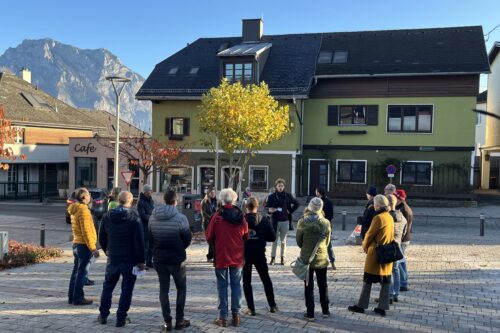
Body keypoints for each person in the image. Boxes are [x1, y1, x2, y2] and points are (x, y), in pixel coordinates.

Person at [98, 191, 145, 327]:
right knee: (127, 288)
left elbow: (102, 237)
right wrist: (141, 260)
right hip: (129, 258)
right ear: (130, 201)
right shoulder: (134, 217)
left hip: (113, 256)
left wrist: (108, 250)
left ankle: (103, 314)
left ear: (119, 200)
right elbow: (139, 240)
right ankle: (121, 317)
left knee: (108, 286)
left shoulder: (108, 216)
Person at [149, 190, 192, 331]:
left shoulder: (153, 217)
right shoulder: (180, 218)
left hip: (160, 259)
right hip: (177, 259)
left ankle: (167, 321)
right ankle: (180, 320)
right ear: (176, 201)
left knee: (163, 290)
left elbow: (150, 237)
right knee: (181, 288)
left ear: (164, 200)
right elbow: (187, 239)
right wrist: (179, 247)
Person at [206, 188, 249, 328]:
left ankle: (223, 317)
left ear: (222, 200)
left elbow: (209, 236)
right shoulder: (240, 216)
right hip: (237, 256)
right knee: (236, 285)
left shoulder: (217, 217)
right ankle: (236, 316)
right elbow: (246, 234)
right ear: (234, 199)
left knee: (222, 286)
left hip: (221, 255)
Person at [348, 195, 394, 317]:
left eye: (374, 203)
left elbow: (369, 235)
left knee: (367, 280)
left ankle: (361, 306)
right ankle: (382, 307)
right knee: (385, 281)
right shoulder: (389, 217)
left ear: (377, 205)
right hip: (387, 252)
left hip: (376, 252)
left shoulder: (378, 218)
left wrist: (364, 246)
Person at [296, 197, 331, 321]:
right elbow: (327, 242)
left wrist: (306, 247)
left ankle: (310, 313)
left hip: (307, 259)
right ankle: (325, 310)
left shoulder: (302, 222)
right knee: (323, 285)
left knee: (308, 286)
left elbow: (299, 241)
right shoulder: (326, 222)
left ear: (310, 207)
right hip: (321, 259)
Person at [242, 197, 278, 316]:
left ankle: (251, 308)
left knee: (247, 281)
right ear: (257, 206)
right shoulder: (264, 219)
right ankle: (272, 305)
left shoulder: (242, 220)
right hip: (259, 253)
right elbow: (272, 237)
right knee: (265, 279)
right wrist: (261, 237)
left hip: (245, 253)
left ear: (246, 207)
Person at [68, 187, 99, 306]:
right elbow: (86, 231)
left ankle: (72, 297)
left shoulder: (75, 209)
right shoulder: (83, 210)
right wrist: (93, 248)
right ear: (84, 197)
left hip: (76, 244)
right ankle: (78, 298)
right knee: (82, 273)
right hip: (83, 245)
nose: (90, 197)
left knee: (76, 272)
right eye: (89, 195)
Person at [265, 178, 299, 265]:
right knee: (274, 240)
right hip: (275, 221)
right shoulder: (272, 196)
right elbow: (266, 207)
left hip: (285, 221)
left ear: (284, 186)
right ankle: (272, 258)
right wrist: (269, 210)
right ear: (276, 186)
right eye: (279, 186)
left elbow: (297, 203)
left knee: (283, 241)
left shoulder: (288, 195)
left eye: (282, 186)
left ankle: (282, 258)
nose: (280, 187)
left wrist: (290, 210)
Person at [386, 194, 407, 303]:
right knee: (396, 270)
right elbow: (404, 232)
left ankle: (388, 294)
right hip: (397, 246)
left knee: (388, 271)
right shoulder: (402, 217)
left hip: (388, 247)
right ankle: (396, 293)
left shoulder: (387, 217)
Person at [395, 189, 413, 292]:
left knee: (399, 262)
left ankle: (403, 282)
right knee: (401, 261)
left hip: (402, 239)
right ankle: (404, 281)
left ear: (399, 199)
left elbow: (402, 227)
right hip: (404, 238)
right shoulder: (404, 207)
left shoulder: (403, 210)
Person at [316, 187, 336, 270]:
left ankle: (319, 261)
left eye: (316, 192)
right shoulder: (329, 202)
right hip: (328, 224)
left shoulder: (317, 202)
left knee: (317, 245)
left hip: (319, 225)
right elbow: (331, 216)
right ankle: (332, 262)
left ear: (318, 193)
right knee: (328, 245)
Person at [137, 184, 155, 268]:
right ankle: (143, 262)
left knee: (152, 245)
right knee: (145, 245)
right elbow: (142, 215)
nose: (151, 192)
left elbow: (153, 211)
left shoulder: (151, 200)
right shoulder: (140, 201)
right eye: (149, 191)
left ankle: (149, 261)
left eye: (151, 191)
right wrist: (152, 218)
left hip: (152, 226)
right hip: (144, 226)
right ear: (145, 192)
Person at [201, 186, 218, 263]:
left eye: (214, 192)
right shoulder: (204, 202)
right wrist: (211, 218)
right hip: (207, 223)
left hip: (215, 223)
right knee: (210, 240)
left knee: (214, 240)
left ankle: (211, 256)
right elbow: (204, 213)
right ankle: (211, 256)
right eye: (211, 193)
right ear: (208, 193)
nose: (213, 194)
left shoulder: (217, 201)